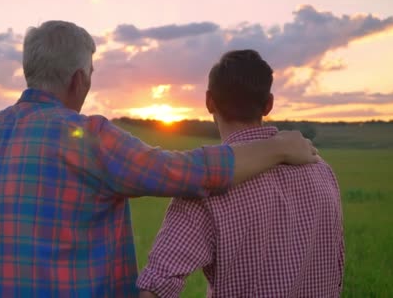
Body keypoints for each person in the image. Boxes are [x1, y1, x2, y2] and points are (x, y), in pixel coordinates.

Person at [0, 22, 318, 297]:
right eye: (89, 73)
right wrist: (278, 148)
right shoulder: (89, 138)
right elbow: (185, 173)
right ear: (78, 80)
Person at [137, 50, 344, 297]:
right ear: (268, 104)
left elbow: (156, 287)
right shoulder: (321, 170)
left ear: (209, 102)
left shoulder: (205, 189)